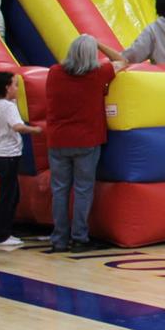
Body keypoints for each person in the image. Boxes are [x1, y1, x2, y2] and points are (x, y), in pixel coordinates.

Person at [42, 33, 128, 253]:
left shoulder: (54, 73)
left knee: (60, 190)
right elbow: (123, 60)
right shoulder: (98, 74)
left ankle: (59, 238)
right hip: (87, 139)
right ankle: (79, 237)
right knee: (83, 189)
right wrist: (98, 43)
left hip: (58, 139)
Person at [0, 70, 41, 250]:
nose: (17, 89)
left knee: (11, 194)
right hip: (7, 155)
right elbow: (17, 126)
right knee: (8, 196)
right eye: (15, 85)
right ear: (7, 88)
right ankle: (1, 235)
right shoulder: (8, 107)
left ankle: (5, 232)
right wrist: (36, 130)